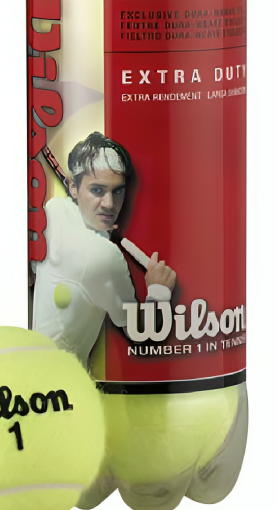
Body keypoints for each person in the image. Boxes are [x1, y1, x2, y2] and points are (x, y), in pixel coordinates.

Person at [31, 132, 176, 366]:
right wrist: (159, 290)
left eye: (117, 191)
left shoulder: (53, 210)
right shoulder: (106, 256)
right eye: (97, 191)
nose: (109, 204)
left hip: (33, 370)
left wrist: (100, 230)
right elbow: (142, 334)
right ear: (73, 187)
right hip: (65, 383)